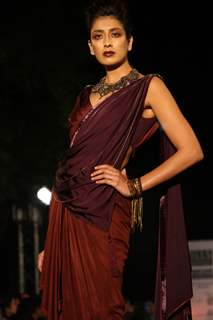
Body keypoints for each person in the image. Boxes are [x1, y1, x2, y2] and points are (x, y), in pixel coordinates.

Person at [38, 0, 204, 319]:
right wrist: (50, 240)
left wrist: (135, 185)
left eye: (115, 34)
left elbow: (192, 150)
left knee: (103, 306)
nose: (107, 42)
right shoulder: (85, 94)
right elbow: (71, 165)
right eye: (98, 36)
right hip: (65, 210)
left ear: (129, 41)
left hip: (104, 209)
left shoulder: (148, 87)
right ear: (90, 46)